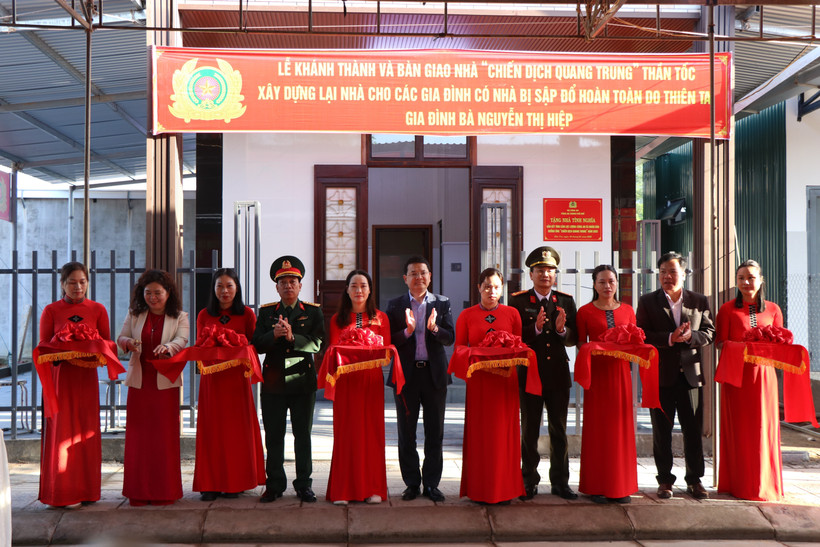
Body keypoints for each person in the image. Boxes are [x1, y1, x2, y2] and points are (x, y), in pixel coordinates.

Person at [637, 252, 714, 500]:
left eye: (672, 272)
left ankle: (695, 480)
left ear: (684, 273)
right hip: (661, 376)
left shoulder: (699, 300)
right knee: (662, 431)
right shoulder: (648, 301)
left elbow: (709, 332)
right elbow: (642, 334)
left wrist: (691, 336)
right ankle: (664, 480)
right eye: (662, 272)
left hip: (691, 377)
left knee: (693, 430)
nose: (667, 277)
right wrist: (670, 338)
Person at [453, 268, 529, 504]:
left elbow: (519, 346)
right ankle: (479, 489)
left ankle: (505, 488)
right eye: (487, 286)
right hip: (480, 383)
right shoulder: (466, 315)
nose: (491, 291)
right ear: (479, 288)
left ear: (502, 289)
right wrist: (477, 353)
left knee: (504, 435)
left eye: (496, 287)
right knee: (481, 436)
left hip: (505, 381)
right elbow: (459, 348)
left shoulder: (512, 314)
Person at [252, 256, 324, 503]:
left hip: (303, 382)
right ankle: (274, 484)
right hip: (274, 383)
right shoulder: (266, 313)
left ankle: (304, 484)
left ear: (300, 286)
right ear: (277, 287)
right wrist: (273, 335)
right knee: (274, 436)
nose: (288, 286)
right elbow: (256, 345)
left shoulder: (312, 312)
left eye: (293, 282)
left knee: (303, 436)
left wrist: (294, 338)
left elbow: (318, 344)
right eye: (283, 282)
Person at [37, 262, 110, 507]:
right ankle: (63, 493)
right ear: (62, 284)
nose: (77, 287)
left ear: (87, 283)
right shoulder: (51, 311)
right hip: (61, 380)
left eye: (82, 282)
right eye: (72, 282)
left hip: (87, 379)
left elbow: (108, 344)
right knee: (63, 433)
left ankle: (88, 491)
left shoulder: (98, 310)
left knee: (86, 432)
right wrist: (62, 348)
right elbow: (43, 347)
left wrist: (92, 346)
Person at [509, 246, 578, 501]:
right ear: (531, 274)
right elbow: (513, 337)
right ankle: (528, 481)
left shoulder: (566, 301)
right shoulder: (518, 301)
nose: (545, 274)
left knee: (559, 430)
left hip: (558, 375)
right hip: (530, 374)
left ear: (555, 274)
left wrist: (561, 331)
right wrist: (535, 330)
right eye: (540, 270)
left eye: (550, 270)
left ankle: (560, 482)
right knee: (529, 431)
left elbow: (574, 338)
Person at [385, 256, 455, 502]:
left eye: (423, 272)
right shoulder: (395, 305)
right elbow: (389, 340)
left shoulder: (442, 303)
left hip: (434, 376)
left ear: (430, 276)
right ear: (405, 278)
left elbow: (450, 338)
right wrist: (408, 331)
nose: (419, 277)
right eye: (413, 273)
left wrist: (434, 329)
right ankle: (412, 483)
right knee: (407, 433)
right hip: (406, 376)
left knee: (435, 432)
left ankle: (432, 484)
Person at [193, 268, 266, 501]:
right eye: (220, 286)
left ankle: (236, 482)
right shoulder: (204, 315)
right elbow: (199, 346)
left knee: (236, 431)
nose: (224, 291)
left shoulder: (247, 314)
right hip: (212, 380)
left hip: (236, 381)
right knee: (212, 430)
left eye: (229, 286)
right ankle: (210, 483)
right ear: (213, 289)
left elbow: (254, 347)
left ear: (237, 288)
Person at [715, 259, 785, 501]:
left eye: (751, 277)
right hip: (737, 378)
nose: (746, 282)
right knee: (740, 431)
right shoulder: (727, 310)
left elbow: (780, 344)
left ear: (761, 280)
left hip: (765, 378)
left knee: (764, 429)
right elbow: (720, 343)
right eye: (741, 278)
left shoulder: (774, 309)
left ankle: (765, 485)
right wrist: (745, 346)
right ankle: (738, 485)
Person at [118, 269, 189, 506]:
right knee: (138, 438)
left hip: (165, 384)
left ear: (168, 293)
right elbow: (121, 338)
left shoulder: (180, 317)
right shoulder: (135, 314)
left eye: (158, 292)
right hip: (140, 383)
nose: (153, 297)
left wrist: (168, 347)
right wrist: (129, 343)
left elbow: (181, 340)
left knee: (163, 439)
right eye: (148, 292)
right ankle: (138, 491)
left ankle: (164, 491)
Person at [323, 269, 393, 505]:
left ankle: (372, 488)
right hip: (346, 381)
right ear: (347, 290)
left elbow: (386, 353)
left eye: (363, 285)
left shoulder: (381, 318)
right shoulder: (337, 319)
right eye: (354, 285)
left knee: (372, 433)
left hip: (371, 381)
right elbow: (334, 351)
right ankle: (343, 490)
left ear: (370, 290)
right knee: (346, 433)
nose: (359, 290)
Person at [575, 265, 637, 504]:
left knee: (620, 429)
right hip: (597, 376)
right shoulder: (585, 312)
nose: (607, 286)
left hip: (620, 374)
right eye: (602, 282)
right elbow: (580, 343)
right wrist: (597, 349)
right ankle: (596, 485)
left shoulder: (628, 310)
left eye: (611, 281)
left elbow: (635, 340)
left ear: (617, 284)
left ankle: (621, 486)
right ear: (594, 284)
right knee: (598, 430)